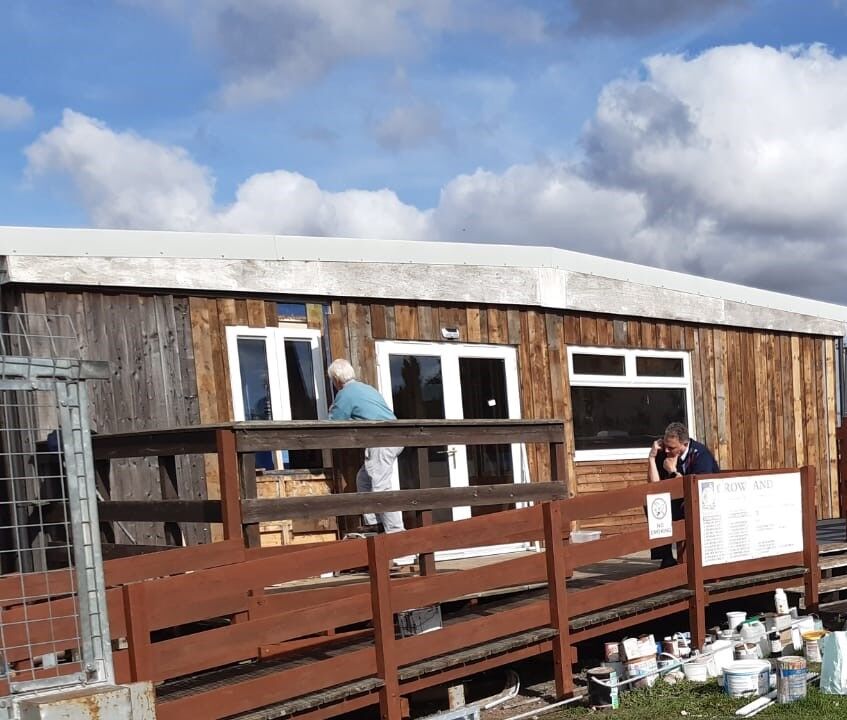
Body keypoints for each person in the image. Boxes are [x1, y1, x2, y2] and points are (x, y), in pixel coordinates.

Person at [327, 358, 405, 534]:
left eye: (332, 380)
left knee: (380, 487)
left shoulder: (345, 394)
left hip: (381, 440)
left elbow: (334, 422)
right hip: (394, 437)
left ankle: (397, 534)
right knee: (363, 479)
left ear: (336, 380)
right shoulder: (367, 388)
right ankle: (374, 522)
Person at [647, 422, 719, 567]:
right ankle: (666, 557)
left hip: (704, 503)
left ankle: (690, 562)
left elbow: (697, 489)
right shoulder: (665, 453)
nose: (666, 450)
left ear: (684, 444)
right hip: (681, 501)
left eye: (671, 447)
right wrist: (652, 458)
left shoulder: (701, 455)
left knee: (683, 507)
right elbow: (655, 486)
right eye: (665, 445)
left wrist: (673, 472)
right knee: (655, 504)